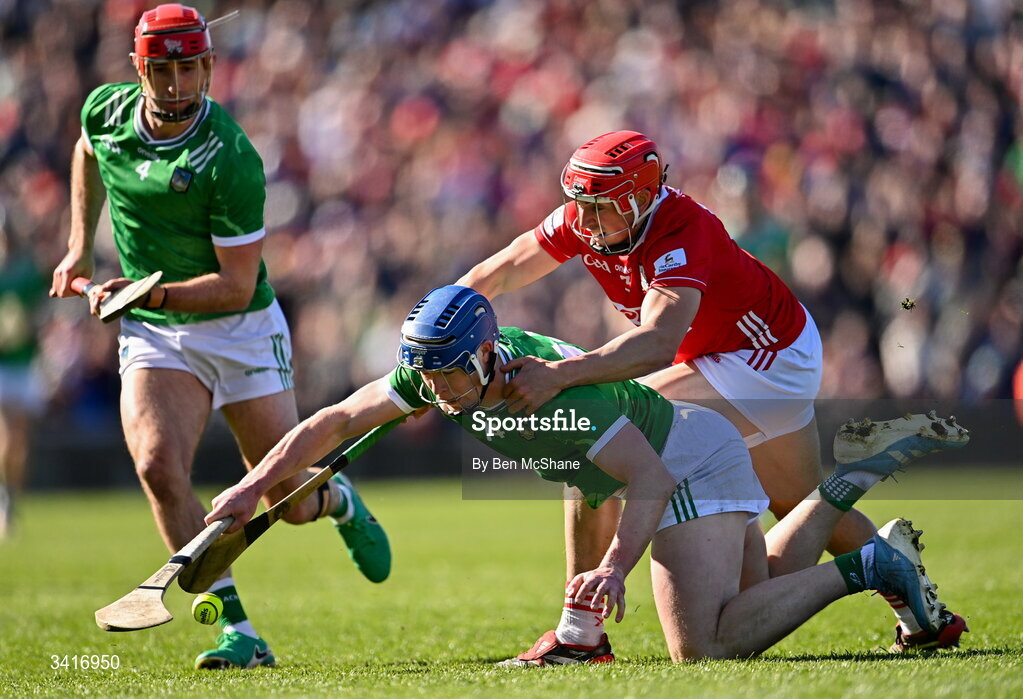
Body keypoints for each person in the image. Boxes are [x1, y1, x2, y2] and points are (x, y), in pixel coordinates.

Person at [204, 285, 969, 664]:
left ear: (483, 352)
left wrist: (612, 568)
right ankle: (850, 486)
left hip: (683, 462)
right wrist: (249, 488)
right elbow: (331, 422)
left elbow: (643, 478)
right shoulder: (437, 374)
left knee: (704, 647)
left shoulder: (558, 391)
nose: (433, 392)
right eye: (424, 375)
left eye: (445, 375)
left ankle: (870, 562)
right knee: (758, 586)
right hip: (690, 452)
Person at [455, 130, 965, 652]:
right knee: (795, 515)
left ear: (640, 198)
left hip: (763, 359)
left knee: (594, 438)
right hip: (757, 348)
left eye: (600, 207)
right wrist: (437, 321)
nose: (584, 221)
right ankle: (915, 600)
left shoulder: (682, 231)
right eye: (578, 204)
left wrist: (560, 375)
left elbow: (656, 344)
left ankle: (580, 632)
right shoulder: (591, 219)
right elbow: (498, 271)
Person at [48, 4, 390, 670]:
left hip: (239, 329)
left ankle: (337, 500)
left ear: (208, 66)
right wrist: (78, 248)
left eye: (187, 68)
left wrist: (147, 290)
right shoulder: (107, 112)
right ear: (137, 70)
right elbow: (87, 151)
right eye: (160, 70)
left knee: (283, 502)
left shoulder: (230, 157)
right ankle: (237, 629)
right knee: (156, 464)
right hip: (156, 331)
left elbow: (235, 285)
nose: (175, 84)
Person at [0, 227, 48, 539]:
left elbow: (40, 314)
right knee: (7, 435)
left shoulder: (27, 272)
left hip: (25, 364)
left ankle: (11, 496)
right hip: (3, 366)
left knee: (20, 443)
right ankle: (5, 498)